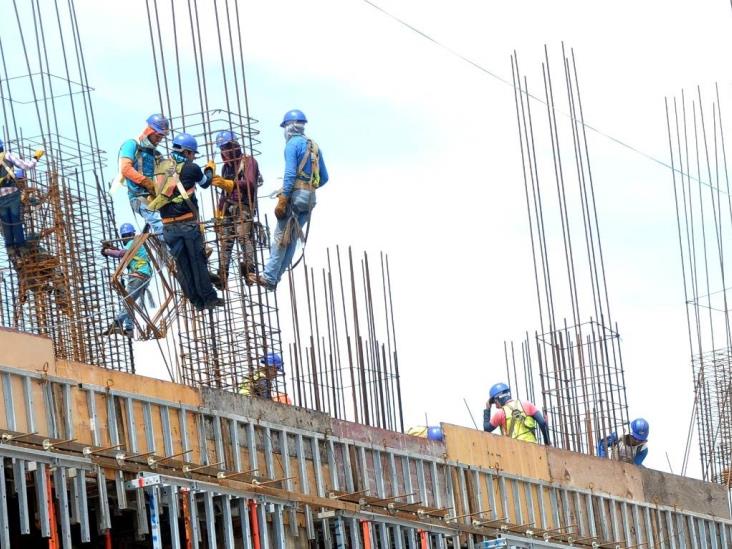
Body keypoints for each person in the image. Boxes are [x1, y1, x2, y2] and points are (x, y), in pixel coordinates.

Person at [249, 109, 329, 290]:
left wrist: (284, 197)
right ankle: (274, 278)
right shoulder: (314, 146)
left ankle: (269, 277)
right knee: (290, 239)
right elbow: (324, 178)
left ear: (289, 127)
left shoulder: (292, 145)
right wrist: (308, 188)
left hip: (295, 198)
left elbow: (290, 173)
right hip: (309, 200)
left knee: (280, 237)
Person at [156, 133, 224, 310]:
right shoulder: (192, 168)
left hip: (168, 226)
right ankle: (209, 299)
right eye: (193, 153)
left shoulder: (161, 167)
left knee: (182, 266)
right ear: (186, 152)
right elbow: (205, 183)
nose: (193, 157)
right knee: (197, 262)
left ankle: (196, 301)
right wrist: (209, 169)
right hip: (187, 224)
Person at [211, 130, 262, 288]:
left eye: (226, 147)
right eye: (222, 149)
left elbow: (250, 184)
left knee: (243, 237)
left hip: (243, 206)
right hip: (228, 207)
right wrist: (219, 213)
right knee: (225, 242)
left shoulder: (248, 161)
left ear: (235, 146)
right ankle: (222, 275)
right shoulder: (226, 168)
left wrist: (231, 184)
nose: (224, 152)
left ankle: (249, 271)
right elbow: (223, 193)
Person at [118, 114, 170, 235]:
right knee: (160, 226)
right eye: (158, 136)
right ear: (150, 131)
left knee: (173, 223)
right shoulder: (132, 145)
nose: (159, 139)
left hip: (154, 197)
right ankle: (176, 253)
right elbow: (125, 168)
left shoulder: (155, 154)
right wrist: (146, 182)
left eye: (162, 136)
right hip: (139, 197)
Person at [101, 223, 152, 338]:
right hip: (144, 276)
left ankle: (117, 322)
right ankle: (129, 329)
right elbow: (124, 252)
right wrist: (112, 248)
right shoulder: (136, 243)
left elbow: (121, 253)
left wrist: (107, 251)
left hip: (138, 276)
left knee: (127, 301)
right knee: (130, 302)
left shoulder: (132, 242)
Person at [0, 140, 44, 260]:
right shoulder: (7, 155)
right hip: (12, 194)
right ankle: (21, 247)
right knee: (16, 221)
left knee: (6, 222)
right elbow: (27, 166)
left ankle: (10, 247)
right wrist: (36, 157)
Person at [483, 383, 551, 445]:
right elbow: (542, 423)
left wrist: (487, 409)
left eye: (495, 402)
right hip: (532, 446)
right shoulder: (527, 404)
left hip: (514, 450)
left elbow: (487, 429)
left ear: (498, 399)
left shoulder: (500, 413)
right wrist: (547, 442)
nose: (496, 406)